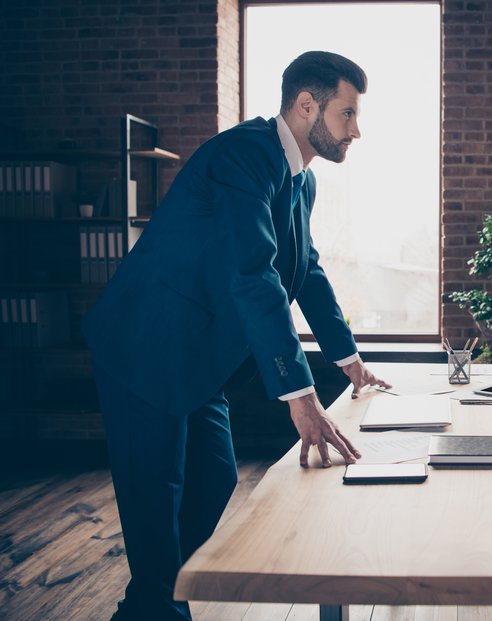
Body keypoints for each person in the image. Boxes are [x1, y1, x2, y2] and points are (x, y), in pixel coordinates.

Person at [82, 51, 391, 621]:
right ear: (306, 106)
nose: (356, 130)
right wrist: (300, 397)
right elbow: (255, 274)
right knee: (158, 498)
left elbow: (307, 268)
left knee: (216, 476)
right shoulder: (244, 157)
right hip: (146, 348)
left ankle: (150, 602)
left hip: (196, 359)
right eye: (347, 114)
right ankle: (155, 605)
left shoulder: (300, 181)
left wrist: (347, 358)